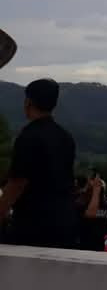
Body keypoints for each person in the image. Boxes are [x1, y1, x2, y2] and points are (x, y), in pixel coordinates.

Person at [0, 79, 77, 248]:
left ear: (28, 102)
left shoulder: (28, 137)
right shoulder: (66, 138)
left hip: (33, 224)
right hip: (64, 222)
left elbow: (17, 183)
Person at [74, 172, 107, 251]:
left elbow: (92, 214)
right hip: (82, 242)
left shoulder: (104, 204)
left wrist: (96, 190)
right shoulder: (80, 200)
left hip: (96, 244)